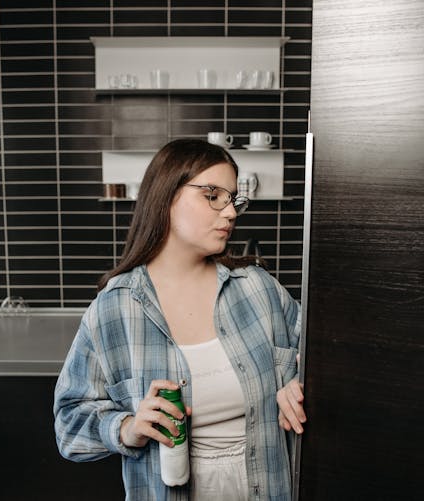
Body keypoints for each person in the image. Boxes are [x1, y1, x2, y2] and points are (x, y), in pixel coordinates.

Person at [54, 138, 306, 500]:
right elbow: (68, 424)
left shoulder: (258, 289)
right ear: (166, 196)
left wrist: (298, 384)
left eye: (233, 199)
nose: (231, 212)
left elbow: (319, 360)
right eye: (212, 195)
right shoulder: (116, 308)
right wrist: (127, 428)